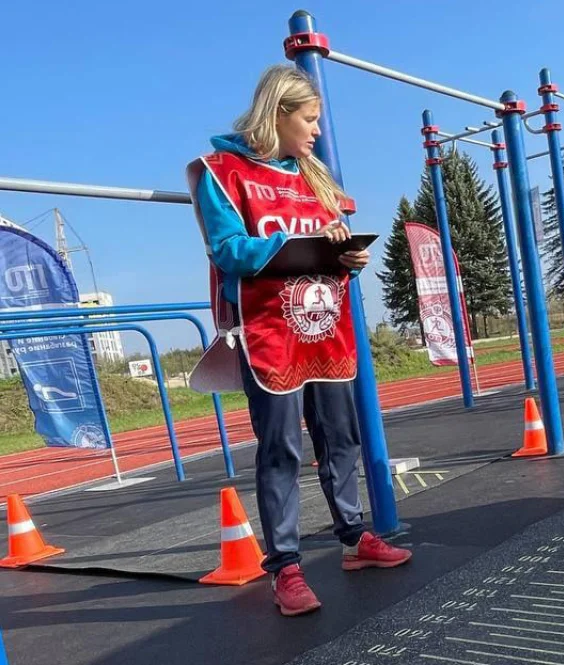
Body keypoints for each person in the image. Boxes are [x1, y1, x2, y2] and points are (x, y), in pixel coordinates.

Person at [185, 65, 411, 617]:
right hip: (269, 334)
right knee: (281, 448)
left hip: (325, 328)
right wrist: (298, 240)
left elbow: (333, 244)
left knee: (342, 438)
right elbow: (228, 251)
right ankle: (285, 568)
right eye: (309, 119)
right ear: (278, 113)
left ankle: (355, 539)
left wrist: (347, 257)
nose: (316, 131)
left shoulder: (316, 176)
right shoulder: (222, 172)